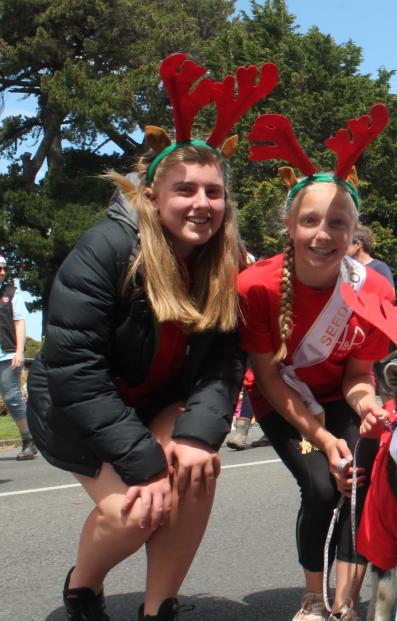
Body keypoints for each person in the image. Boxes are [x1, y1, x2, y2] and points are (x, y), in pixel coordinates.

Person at [25, 53, 268, 621]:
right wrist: (144, 463)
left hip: (159, 401)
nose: (202, 204)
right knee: (137, 510)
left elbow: (226, 359)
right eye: (185, 190)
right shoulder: (106, 251)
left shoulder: (226, 262)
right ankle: (83, 588)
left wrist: (198, 436)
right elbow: (74, 370)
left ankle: (159, 609)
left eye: (214, 191)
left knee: (198, 469)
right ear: (153, 196)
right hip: (80, 406)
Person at [239, 107, 392, 621]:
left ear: (354, 233)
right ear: (289, 225)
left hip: (338, 396)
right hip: (281, 401)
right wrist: (325, 440)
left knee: (360, 479)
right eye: (310, 221)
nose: (323, 234)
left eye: (337, 223)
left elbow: (357, 375)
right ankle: (312, 595)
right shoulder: (256, 286)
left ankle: (344, 602)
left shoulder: (373, 287)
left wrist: (367, 404)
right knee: (323, 484)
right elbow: (266, 377)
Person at [0, 254, 36, 461]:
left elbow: (19, 323)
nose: (3, 272)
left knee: (12, 398)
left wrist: (20, 351)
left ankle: (29, 440)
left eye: (4, 268)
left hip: (8, 354)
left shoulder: (12, 294)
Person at [348, 224, 395, 290]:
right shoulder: (347, 268)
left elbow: (390, 296)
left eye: (347, 243)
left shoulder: (380, 268)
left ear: (357, 245)